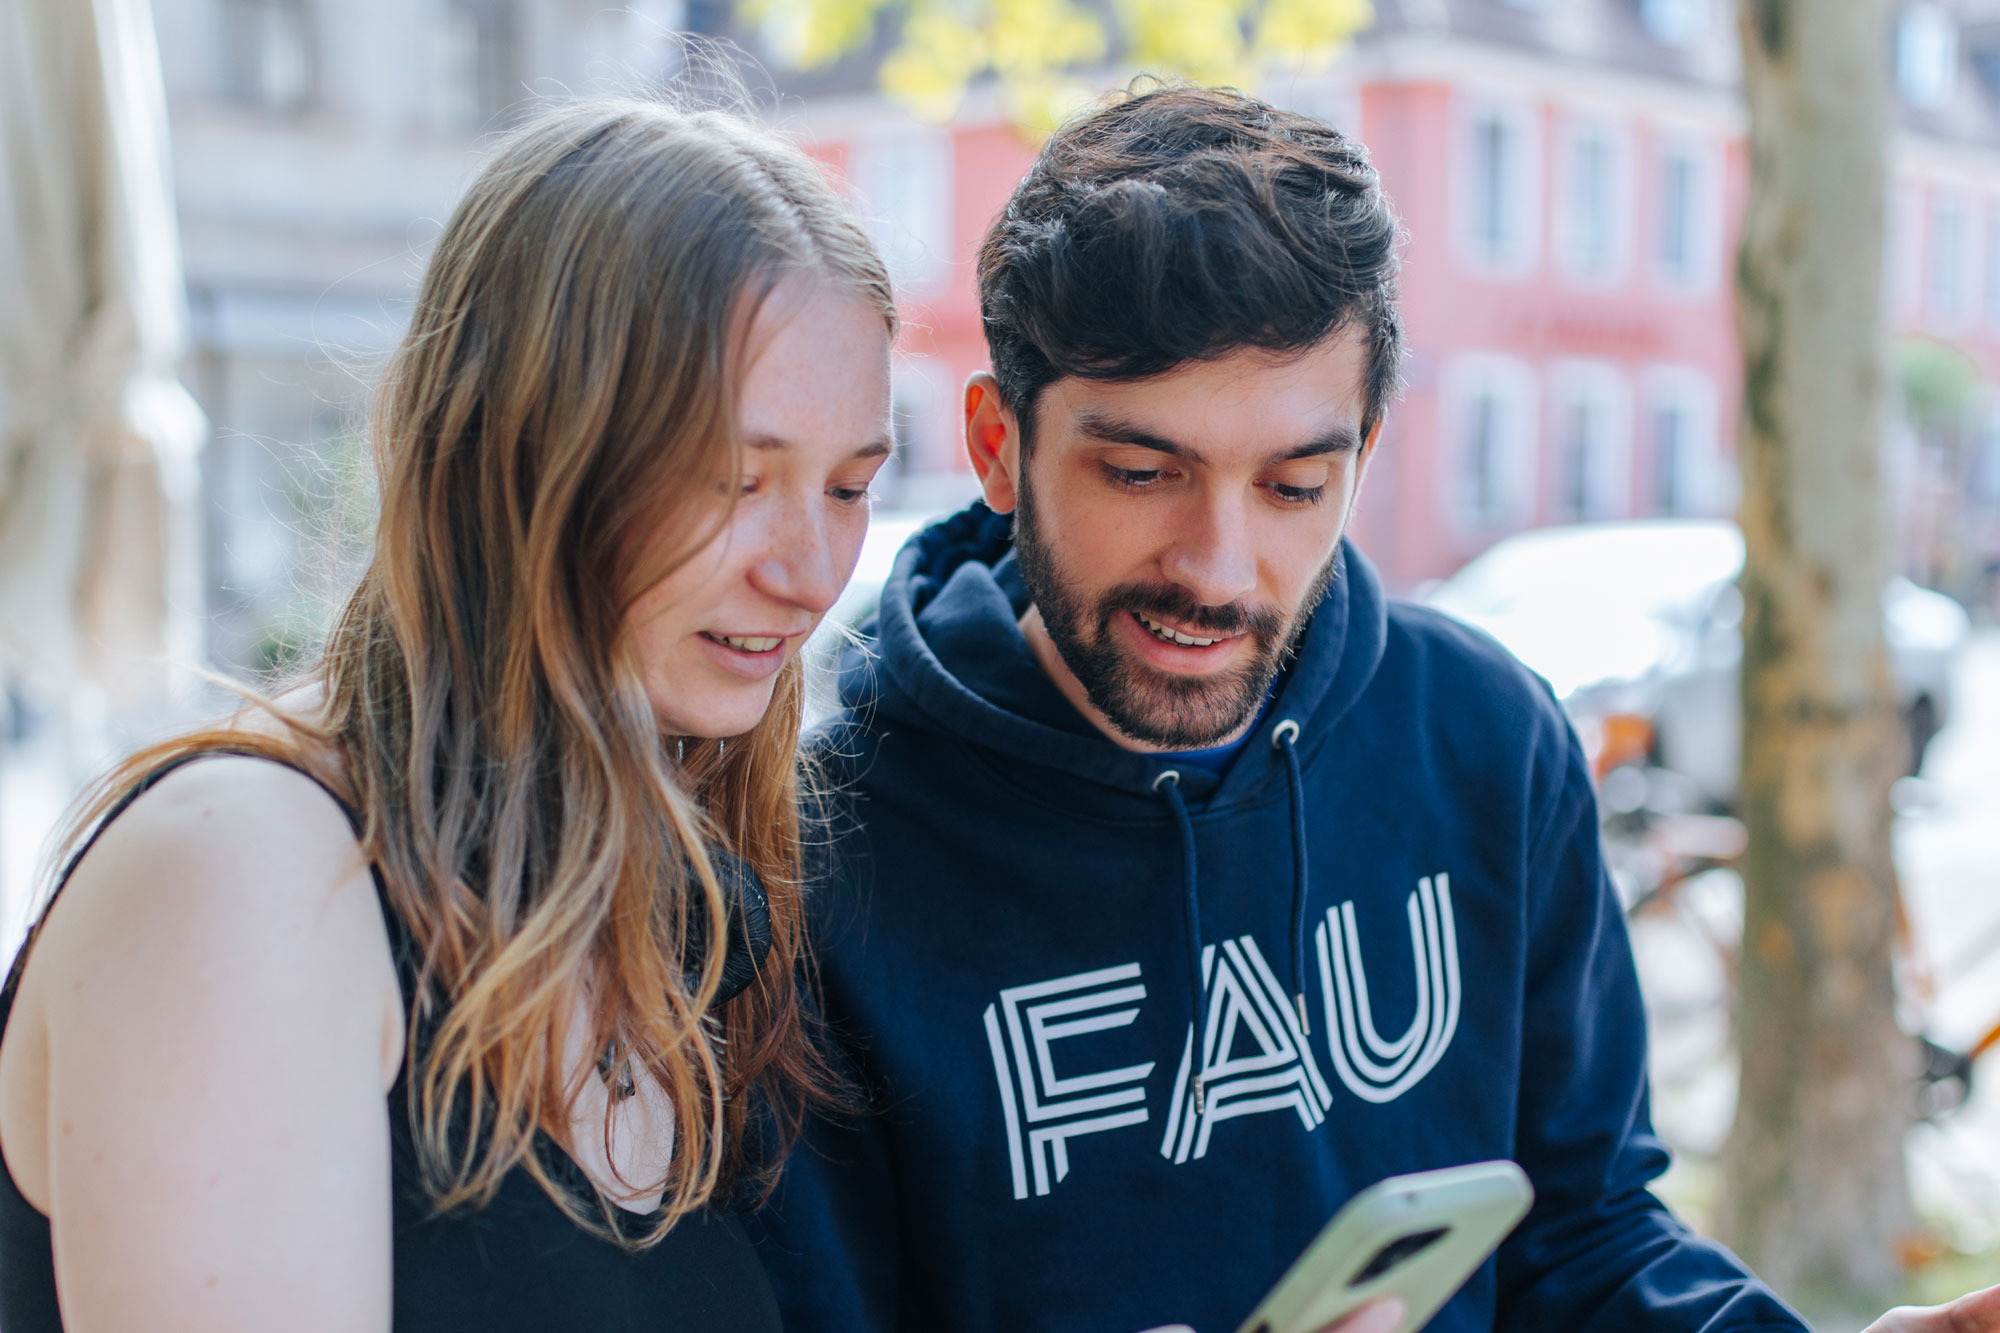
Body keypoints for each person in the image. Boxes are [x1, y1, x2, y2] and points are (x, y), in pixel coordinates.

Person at [747, 83, 2000, 1333]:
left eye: (1294, 485)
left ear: (1366, 448)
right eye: (1138, 472)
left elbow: (1581, 1234)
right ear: (994, 445)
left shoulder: (1485, 740)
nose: (1217, 568)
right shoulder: (811, 860)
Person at [0, 99, 898, 1331]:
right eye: (735, 479)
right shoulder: (251, 869)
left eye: (849, 487)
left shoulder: (639, 886)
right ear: (518, 451)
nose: (810, 570)